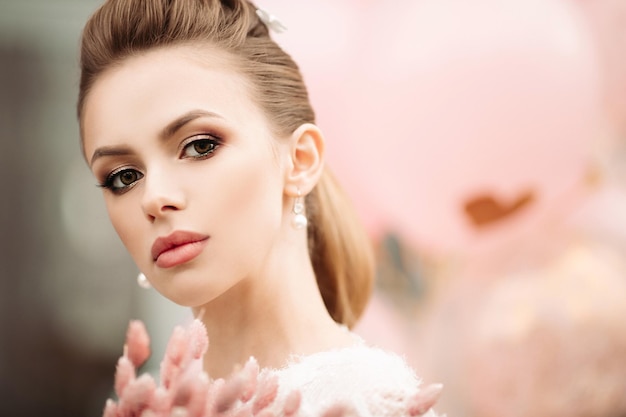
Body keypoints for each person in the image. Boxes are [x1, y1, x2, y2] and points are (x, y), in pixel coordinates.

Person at [77, 0, 441, 415]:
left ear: (300, 160)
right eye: (123, 176)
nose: (153, 198)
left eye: (200, 146)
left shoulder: (368, 403)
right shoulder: (159, 402)